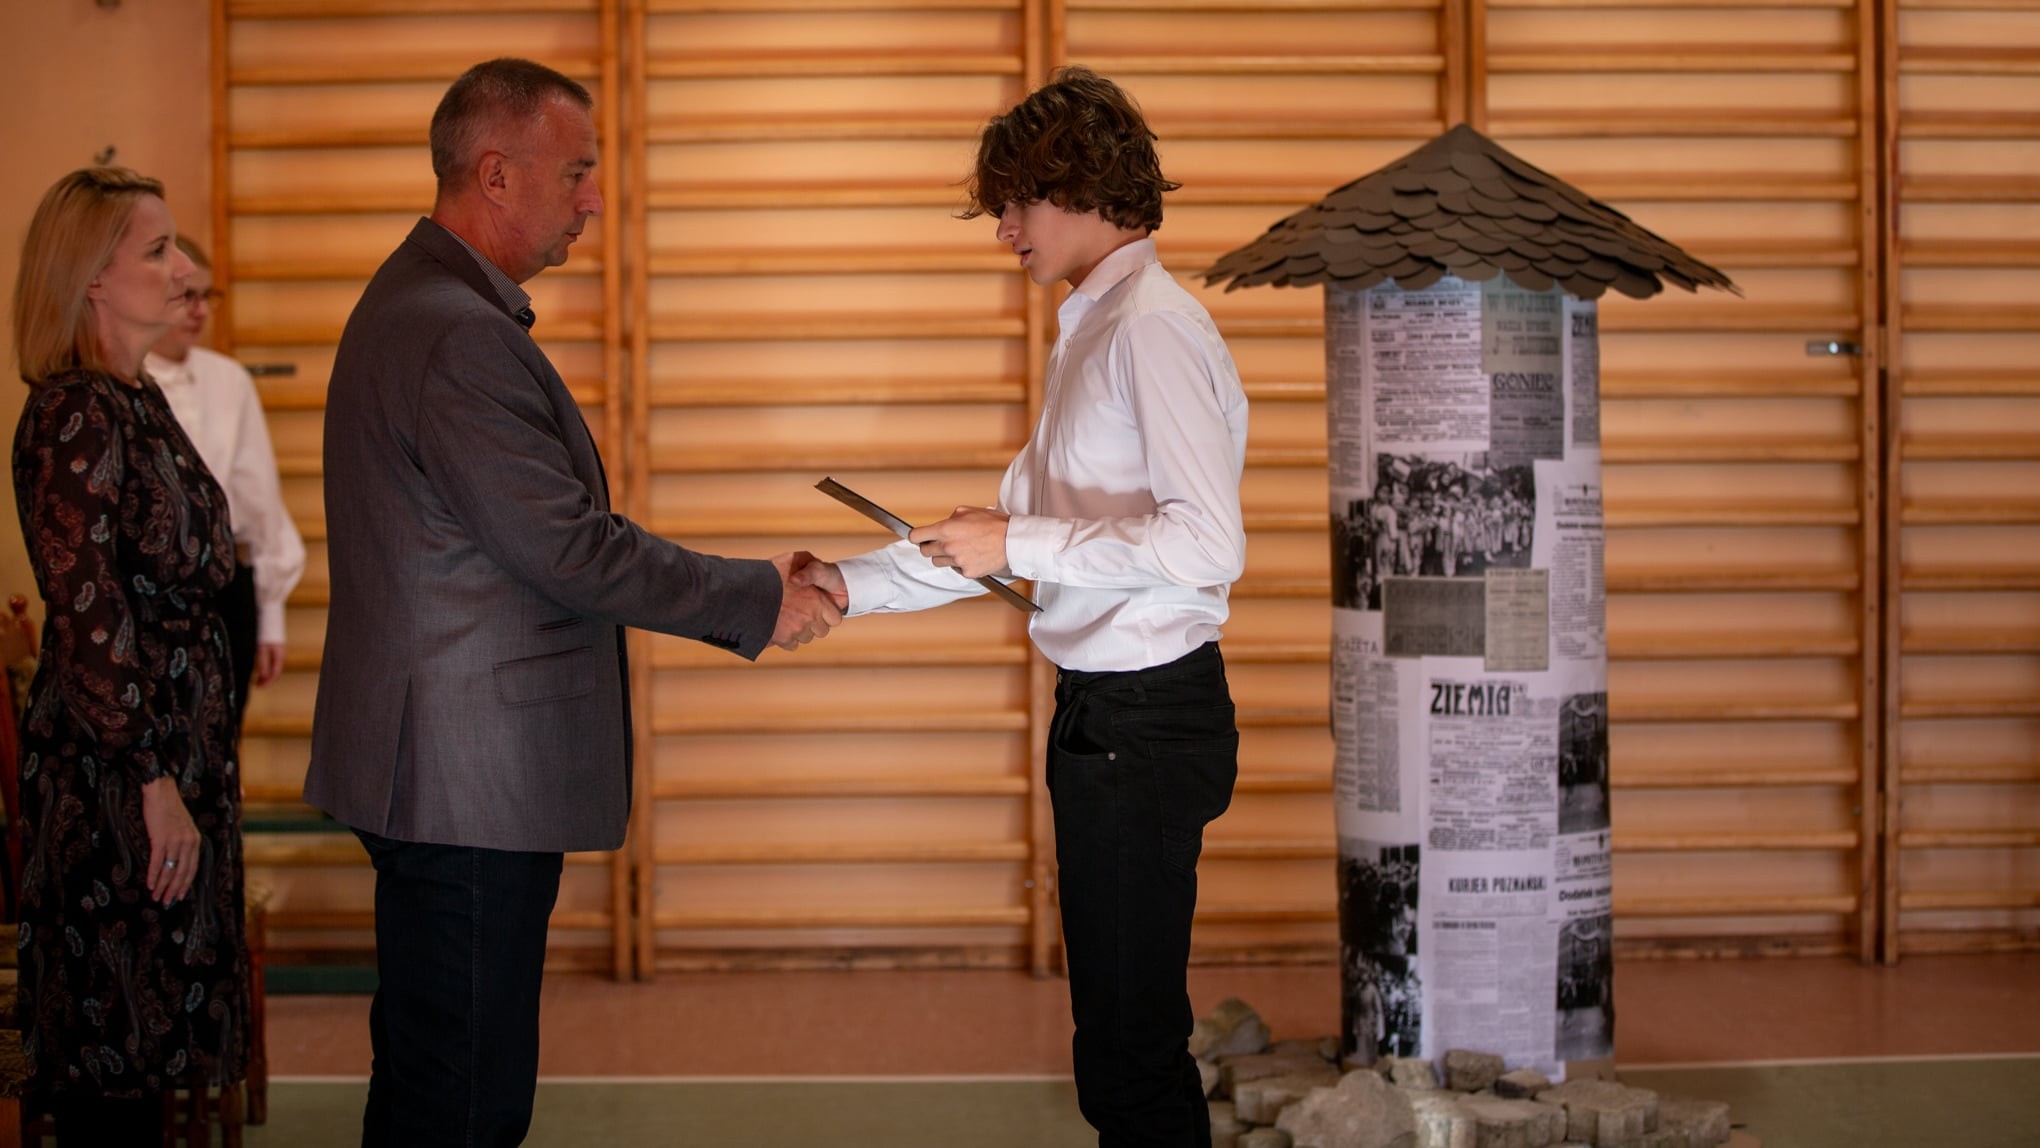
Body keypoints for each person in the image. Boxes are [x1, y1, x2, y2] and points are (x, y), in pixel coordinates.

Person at [301, 58, 841, 1146]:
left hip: (443, 777)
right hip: (464, 784)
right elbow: (565, 546)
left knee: (432, 1081)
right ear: (495, 175)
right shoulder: (454, 330)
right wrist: (756, 597)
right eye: (577, 172)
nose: (594, 197)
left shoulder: (427, 305)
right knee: (463, 1102)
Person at [797, 66, 1248, 1147]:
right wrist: (843, 587)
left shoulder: (1148, 327)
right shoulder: (1094, 327)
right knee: (1118, 1044)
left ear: (1085, 187)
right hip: (1105, 716)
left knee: (1131, 1054)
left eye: (1016, 204)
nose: (1003, 231)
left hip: (1146, 719)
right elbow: (995, 534)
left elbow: (1207, 543)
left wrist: (1020, 542)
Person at [10, 167, 250, 1145]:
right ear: (92, 279)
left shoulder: (136, 398)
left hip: (172, 763)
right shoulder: (77, 412)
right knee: (114, 1056)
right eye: (158, 249)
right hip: (117, 781)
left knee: (152, 1058)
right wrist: (152, 779)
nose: (184, 268)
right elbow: (89, 620)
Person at [144, 237, 306, 733]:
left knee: (220, 738)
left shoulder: (229, 380)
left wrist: (270, 616)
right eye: (186, 296)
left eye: (207, 297)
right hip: (153, 592)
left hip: (226, 585)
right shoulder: (128, 382)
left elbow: (260, 501)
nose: (199, 311)